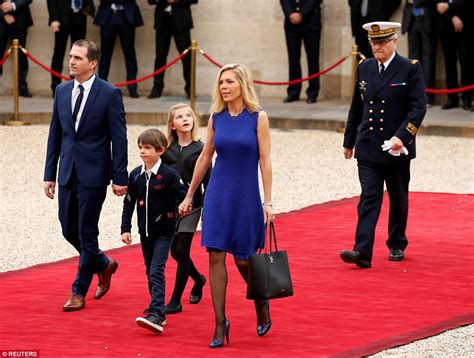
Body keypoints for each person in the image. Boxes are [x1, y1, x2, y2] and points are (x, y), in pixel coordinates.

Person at [179, 63, 275, 348]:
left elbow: (265, 161)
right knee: (215, 255)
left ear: (242, 85)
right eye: (221, 82)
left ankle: (260, 302)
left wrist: (268, 201)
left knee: (244, 258)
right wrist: (189, 195)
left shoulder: (258, 118)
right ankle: (220, 322)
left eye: (229, 81)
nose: (223, 86)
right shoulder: (216, 117)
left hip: (245, 194)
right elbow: (205, 158)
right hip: (218, 192)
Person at [43, 39, 128, 311]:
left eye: (78, 58)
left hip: (94, 174)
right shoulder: (61, 90)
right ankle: (104, 263)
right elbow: (55, 135)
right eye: (70, 56)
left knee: (87, 232)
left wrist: (120, 177)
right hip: (67, 171)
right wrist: (49, 174)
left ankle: (78, 291)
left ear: (92, 63)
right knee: (68, 228)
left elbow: (119, 138)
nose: (71, 61)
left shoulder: (109, 93)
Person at [340, 22, 426, 269]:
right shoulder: (365, 67)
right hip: (368, 144)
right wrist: (349, 140)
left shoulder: (409, 68)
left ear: (394, 42)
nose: (377, 47)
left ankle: (397, 242)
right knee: (369, 197)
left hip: (395, 146)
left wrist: (402, 136)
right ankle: (362, 251)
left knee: (398, 197)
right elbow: (357, 107)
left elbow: (418, 108)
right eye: (373, 43)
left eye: (382, 42)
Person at [121, 128, 187, 334]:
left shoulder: (169, 175)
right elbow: (128, 203)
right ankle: (158, 309)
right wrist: (125, 228)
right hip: (145, 233)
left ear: (160, 150)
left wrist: (183, 208)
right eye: (140, 147)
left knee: (157, 270)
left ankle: (156, 313)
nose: (142, 151)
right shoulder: (136, 176)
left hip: (165, 232)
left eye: (147, 148)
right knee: (150, 270)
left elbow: (184, 195)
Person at [162, 103, 211, 314]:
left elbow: (208, 180)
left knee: (181, 249)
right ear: (172, 125)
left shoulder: (201, 149)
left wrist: (208, 209)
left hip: (193, 206)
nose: (185, 119)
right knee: (174, 251)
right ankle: (198, 279)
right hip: (169, 205)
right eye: (179, 117)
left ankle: (175, 300)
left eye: (188, 115)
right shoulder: (167, 150)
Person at [147, 0, 198, 99]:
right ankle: (157, 87)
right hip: (162, 21)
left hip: (181, 21)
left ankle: (190, 89)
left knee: (187, 57)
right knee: (160, 57)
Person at [93, 0, 143, 98]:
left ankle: (132, 87)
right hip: (108, 16)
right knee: (105, 54)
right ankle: (101, 87)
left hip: (126, 16)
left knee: (130, 54)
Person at [47, 0, 96, 98]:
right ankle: (56, 87)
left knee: (79, 55)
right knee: (59, 53)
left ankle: (76, 86)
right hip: (62, 18)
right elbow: (51, 2)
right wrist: (54, 19)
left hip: (79, 18)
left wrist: (88, 9)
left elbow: (89, 2)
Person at [280, 0, 322, 104]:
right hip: (291, 24)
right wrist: (290, 13)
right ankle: (293, 91)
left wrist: (302, 13)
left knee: (313, 59)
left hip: (311, 22)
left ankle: (312, 92)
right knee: (293, 59)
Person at [401, 0, 439, 107]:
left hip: (427, 21)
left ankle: (428, 96)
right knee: (413, 61)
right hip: (411, 21)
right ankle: (413, 95)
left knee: (428, 60)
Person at [437, 0, 473, 110]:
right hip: (446, 26)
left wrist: (448, 6)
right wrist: (453, 17)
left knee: (466, 62)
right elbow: (439, 5)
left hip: (466, 25)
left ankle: (467, 97)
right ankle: (452, 98)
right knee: (449, 63)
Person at [0, 0, 33, 97]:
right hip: (0, 21)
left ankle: (22, 86)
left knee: (21, 54)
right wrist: (3, 13)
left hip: (20, 19)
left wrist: (13, 5)